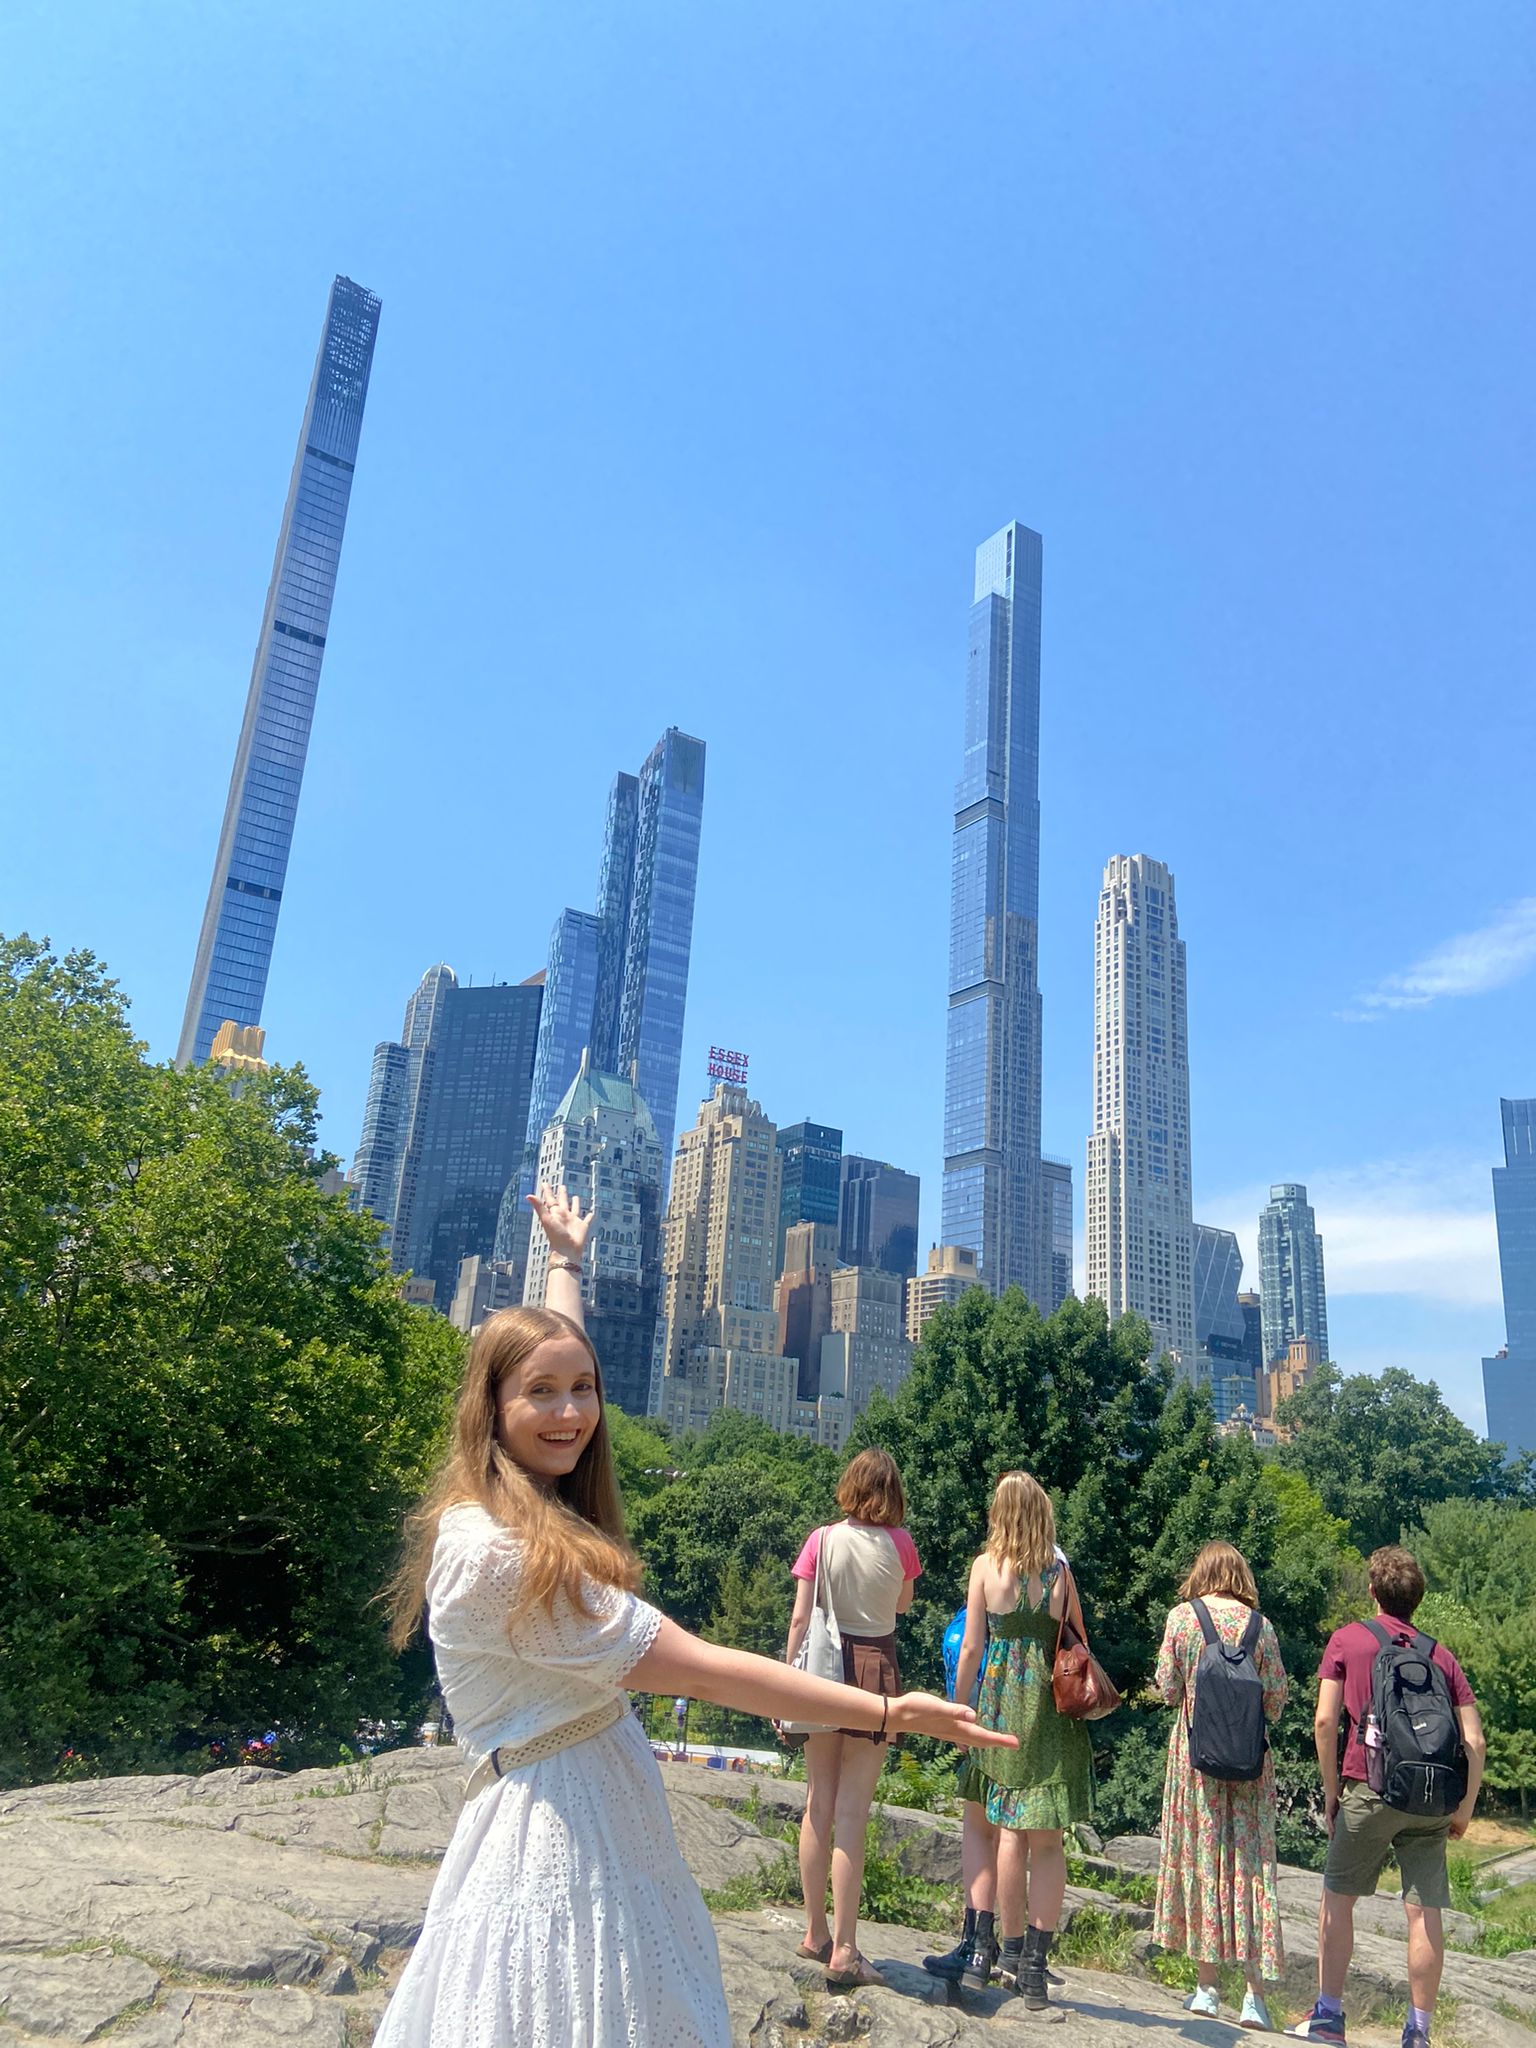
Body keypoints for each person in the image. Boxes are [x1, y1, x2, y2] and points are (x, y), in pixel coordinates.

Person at [372, 1186, 1016, 2048]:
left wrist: (566, 1263)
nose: (571, 1411)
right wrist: (892, 1711)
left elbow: (560, 1363)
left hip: (589, 1809)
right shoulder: (501, 1557)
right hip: (553, 1834)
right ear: (492, 1407)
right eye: (542, 1394)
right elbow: (700, 1666)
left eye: (584, 1390)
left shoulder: (524, 1507)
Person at [1288, 1546, 1486, 2048]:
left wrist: (1333, 1795)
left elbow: (1325, 1721)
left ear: (1372, 1592)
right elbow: (1474, 1741)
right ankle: (1418, 2033)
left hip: (1368, 1786)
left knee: (1338, 1901)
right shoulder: (1439, 1654)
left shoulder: (1348, 1641)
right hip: (1430, 1799)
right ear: (1417, 1599)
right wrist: (1462, 1808)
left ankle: (1329, 2018)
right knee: (1423, 1914)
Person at [945, 1471, 1093, 2005]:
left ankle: (991, 1952)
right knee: (1047, 1841)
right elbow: (1076, 1642)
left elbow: (970, 1649)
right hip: (1050, 1714)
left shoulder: (986, 1567)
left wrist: (958, 1711)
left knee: (1002, 1825)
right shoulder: (1060, 1573)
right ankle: (1034, 1966)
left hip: (1000, 1702)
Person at [784, 1448, 922, 1990]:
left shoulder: (821, 1539)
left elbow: (800, 1617)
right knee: (853, 1811)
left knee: (818, 1800)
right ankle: (846, 1948)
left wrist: (786, 1685)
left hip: (821, 1669)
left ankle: (814, 1932)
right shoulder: (902, 1543)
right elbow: (904, 1605)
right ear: (892, 1493)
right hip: (875, 1670)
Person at [1154, 1541, 1288, 2029]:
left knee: (1202, 1861)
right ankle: (1255, 1998)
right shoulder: (1262, 1627)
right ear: (1241, 1576)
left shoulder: (1181, 1619)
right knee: (1251, 1870)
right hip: (1250, 1765)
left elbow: (1168, 1689)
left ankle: (1207, 1989)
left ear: (1201, 1573)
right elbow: (1275, 1702)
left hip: (1195, 1763)